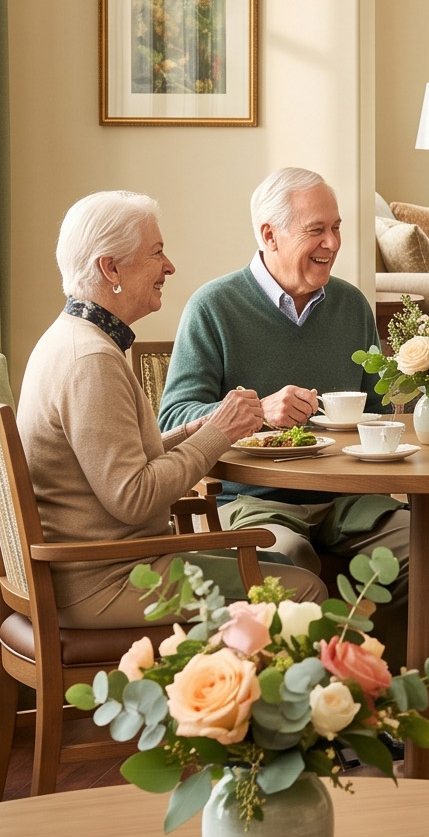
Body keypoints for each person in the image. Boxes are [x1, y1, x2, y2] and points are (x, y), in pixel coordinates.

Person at [15, 191, 323, 624]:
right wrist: (217, 435)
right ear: (111, 268)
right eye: (157, 252)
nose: (169, 266)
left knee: (287, 569)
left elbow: (120, 462)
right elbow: (134, 497)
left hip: (90, 571)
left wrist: (208, 426)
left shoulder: (70, 338)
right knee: (305, 587)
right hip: (112, 580)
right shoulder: (92, 362)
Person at [157, 166, 409, 659]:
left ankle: (382, 703)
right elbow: (172, 421)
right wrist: (258, 411)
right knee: (291, 562)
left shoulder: (352, 306)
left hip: (350, 499)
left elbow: (380, 412)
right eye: (317, 230)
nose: (333, 243)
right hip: (253, 500)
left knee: (422, 552)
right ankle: (311, 719)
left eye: (336, 228)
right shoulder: (214, 307)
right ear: (268, 235)